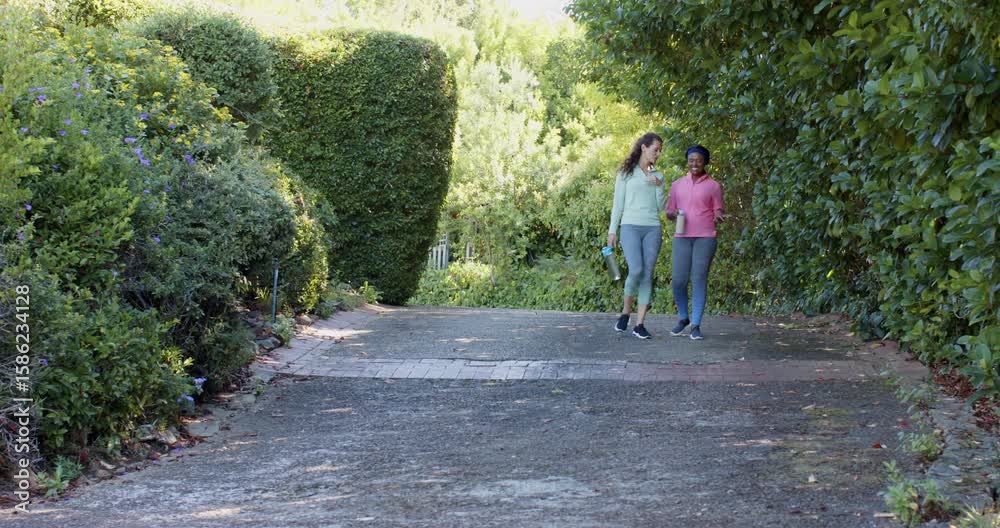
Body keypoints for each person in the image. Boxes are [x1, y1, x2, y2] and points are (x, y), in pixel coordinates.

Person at [607, 132, 666, 339]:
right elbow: (617, 204)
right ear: (643, 147)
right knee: (637, 269)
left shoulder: (658, 176)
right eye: (655, 149)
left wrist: (659, 186)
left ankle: (639, 324)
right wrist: (612, 230)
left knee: (647, 273)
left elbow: (661, 207)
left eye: (660, 151)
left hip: (652, 228)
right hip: (630, 226)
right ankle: (625, 311)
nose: (658, 154)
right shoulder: (626, 173)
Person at [665, 145, 724, 340]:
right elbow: (669, 212)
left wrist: (719, 216)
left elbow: (718, 209)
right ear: (687, 162)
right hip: (682, 236)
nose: (694, 164)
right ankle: (683, 318)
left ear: (705, 162)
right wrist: (672, 214)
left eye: (698, 160)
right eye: (691, 160)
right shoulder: (677, 185)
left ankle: (696, 325)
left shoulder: (713, 186)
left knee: (699, 278)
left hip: (705, 237)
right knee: (678, 280)